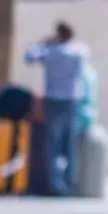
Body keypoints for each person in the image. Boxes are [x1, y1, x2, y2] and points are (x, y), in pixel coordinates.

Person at [23, 23, 89, 196]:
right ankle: (70, 183)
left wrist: (44, 43)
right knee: (70, 144)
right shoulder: (79, 50)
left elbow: (29, 57)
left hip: (53, 100)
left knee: (53, 143)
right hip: (73, 100)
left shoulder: (52, 52)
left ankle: (56, 184)